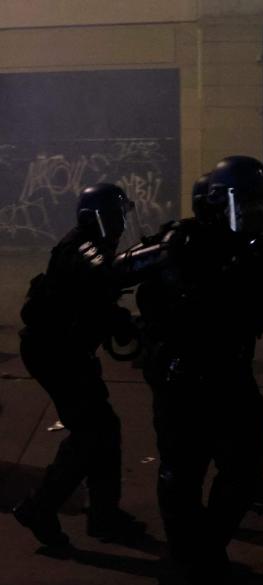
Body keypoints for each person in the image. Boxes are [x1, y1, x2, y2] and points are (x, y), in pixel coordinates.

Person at [117, 156, 263, 585]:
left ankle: (206, 547)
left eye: (258, 202)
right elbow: (129, 275)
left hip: (230, 372)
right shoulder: (185, 244)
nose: (254, 212)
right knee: (182, 473)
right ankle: (190, 559)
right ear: (215, 204)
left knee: (245, 469)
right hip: (184, 378)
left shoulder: (248, 247)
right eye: (244, 203)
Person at [14, 183, 146, 549]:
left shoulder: (94, 246)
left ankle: (104, 515)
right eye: (115, 216)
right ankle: (41, 506)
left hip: (67, 351)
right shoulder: (82, 246)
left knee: (103, 429)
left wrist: (118, 320)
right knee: (92, 433)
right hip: (54, 352)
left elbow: (93, 299)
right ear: (95, 219)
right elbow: (105, 273)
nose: (120, 223)